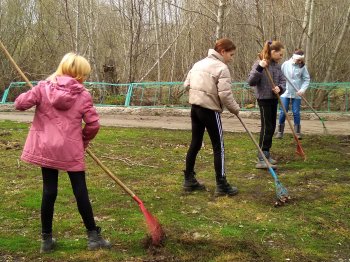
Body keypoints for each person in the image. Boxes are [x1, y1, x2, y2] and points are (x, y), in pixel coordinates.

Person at [14, 53, 111, 253]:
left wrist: (35, 90)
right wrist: (83, 140)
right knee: (80, 190)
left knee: (49, 191)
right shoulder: (83, 95)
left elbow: (19, 104)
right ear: (79, 75)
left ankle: (46, 241)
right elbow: (93, 124)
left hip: (46, 148)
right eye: (84, 74)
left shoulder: (42, 88)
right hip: (70, 149)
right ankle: (93, 237)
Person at [183, 38, 240, 197]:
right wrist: (235, 109)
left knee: (195, 143)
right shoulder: (222, 68)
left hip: (195, 108)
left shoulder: (198, 63)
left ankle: (189, 180)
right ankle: (222, 185)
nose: (231, 58)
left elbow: (186, 84)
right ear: (222, 52)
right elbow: (225, 95)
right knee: (218, 146)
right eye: (231, 54)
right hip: (210, 110)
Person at [247, 41, 286, 169]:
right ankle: (261, 157)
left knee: (272, 126)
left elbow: (282, 81)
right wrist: (260, 67)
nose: (281, 57)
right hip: (263, 98)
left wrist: (280, 88)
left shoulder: (277, 66)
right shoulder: (259, 63)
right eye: (280, 54)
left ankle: (267, 153)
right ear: (273, 52)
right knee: (267, 126)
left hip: (273, 98)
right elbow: (251, 81)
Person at [276, 49, 310, 139]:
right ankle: (280, 131)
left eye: (301, 60)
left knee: (296, 112)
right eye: (298, 60)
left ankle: (297, 132)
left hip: (297, 93)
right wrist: (280, 87)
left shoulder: (302, 67)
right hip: (285, 92)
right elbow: (279, 76)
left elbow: (306, 79)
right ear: (294, 58)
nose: (300, 62)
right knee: (283, 112)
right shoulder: (285, 65)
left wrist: (302, 90)